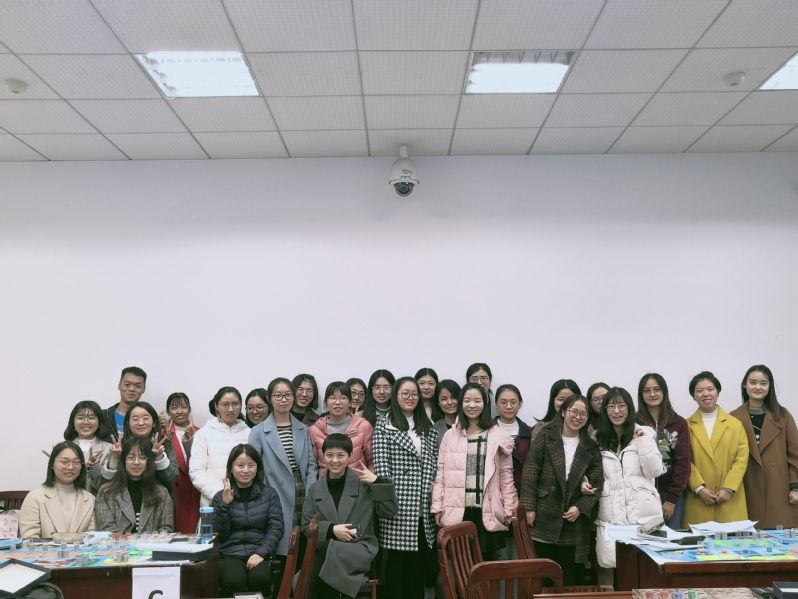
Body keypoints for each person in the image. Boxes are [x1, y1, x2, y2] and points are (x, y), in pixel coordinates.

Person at [302, 433, 398, 599]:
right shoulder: (315, 489)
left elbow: (390, 511)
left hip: (359, 548)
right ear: (322, 456)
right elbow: (306, 526)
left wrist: (377, 482)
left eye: (341, 455)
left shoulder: (364, 485)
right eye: (329, 455)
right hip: (329, 549)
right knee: (326, 555)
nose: (335, 460)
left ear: (350, 456)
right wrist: (331, 529)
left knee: (317, 564)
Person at [521, 395, 602, 586]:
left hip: (572, 519)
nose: (578, 417)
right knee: (542, 573)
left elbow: (598, 483)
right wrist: (528, 507)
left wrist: (580, 507)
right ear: (564, 412)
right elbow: (530, 471)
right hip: (544, 512)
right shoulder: (546, 435)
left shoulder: (590, 446)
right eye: (574, 411)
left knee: (567, 575)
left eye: (583, 414)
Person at [431, 383, 518, 560]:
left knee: (487, 565)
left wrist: (510, 508)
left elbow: (506, 476)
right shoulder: (450, 436)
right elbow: (440, 475)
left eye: (477, 401)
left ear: (485, 403)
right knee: (460, 564)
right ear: (461, 403)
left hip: (487, 511)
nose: (472, 405)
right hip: (458, 510)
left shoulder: (498, 436)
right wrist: (437, 506)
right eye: (467, 401)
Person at [373, 377, 437, 599]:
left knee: (418, 566)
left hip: (423, 505)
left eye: (414, 394)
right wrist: (391, 500)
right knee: (396, 567)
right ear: (396, 396)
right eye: (405, 393)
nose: (410, 398)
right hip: (397, 506)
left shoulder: (427, 426)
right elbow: (382, 468)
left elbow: (434, 462)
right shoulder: (384, 425)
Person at [594, 387, 665, 585]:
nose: (616, 411)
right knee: (610, 566)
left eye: (621, 405)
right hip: (611, 516)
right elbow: (592, 473)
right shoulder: (597, 438)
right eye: (611, 406)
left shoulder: (644, 434)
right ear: (605, 410)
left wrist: (643, 441)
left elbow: (655, 470)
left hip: (643, 515)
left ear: (629, 408)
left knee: (646, 571)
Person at [248, 377, 318, 560]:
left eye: (287, 395)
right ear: (270, 399)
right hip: (275, 495)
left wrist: (311, 492)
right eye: (278, 395)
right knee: (282, 549)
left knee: (303, 547)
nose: (283, 399)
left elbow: (311, 466)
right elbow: (254, 469)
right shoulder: (258, 431)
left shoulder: (303, 429)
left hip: (302, 493)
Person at [730, 365, 798, 529]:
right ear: (745, 385)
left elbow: (795, 455)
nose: (758, 387)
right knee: (747, 538)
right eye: (753, 382)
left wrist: (795, 487)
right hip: (746, 487)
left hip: (778, 488)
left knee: (780, 538)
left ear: (770, 386)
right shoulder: (733, 418)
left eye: (763, 383)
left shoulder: (783, 416)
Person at [212, 444, 284, 599]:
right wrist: (225, 505)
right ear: (231, 468)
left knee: (260, 579)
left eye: (251, 465)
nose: (246, 470)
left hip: (260, 552)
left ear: (257, 468)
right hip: (229, 554)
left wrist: (261, 553)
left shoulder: (269, 494)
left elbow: (276, 528)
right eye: (240, 465)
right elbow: (219, 535)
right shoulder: (220, 497)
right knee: (234, 581)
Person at [685, 371, 749, 526]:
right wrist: (699, 488)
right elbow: (684, 460)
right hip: (698, 500)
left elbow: (741, 459)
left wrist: (728, 488)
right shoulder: (685, 426)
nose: (705, 394)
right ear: (693, 396)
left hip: (730, 500)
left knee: (732, 540)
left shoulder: (735, 424)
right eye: (699, 391)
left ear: (718, 392)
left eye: (710, 389)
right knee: (699, 541)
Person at [635, 373, 691, 529]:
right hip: (641, 494)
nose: (652, 394)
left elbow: (683, 462)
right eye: (647, 391)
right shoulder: (634, 422)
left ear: (664, 392)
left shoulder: (679, 423)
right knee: (644, 539)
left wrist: (672, 499)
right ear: (641, 395)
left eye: (657, 389)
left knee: (671, 538)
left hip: (671, 494)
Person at [19, 441, 96, 541]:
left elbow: (91, 539)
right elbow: (29, 540)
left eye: (76, 462)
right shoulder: (35, 497)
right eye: (64, 462)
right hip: (43, 551)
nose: (71, 467)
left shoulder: (90, 499)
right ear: (52, 464)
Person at [94, 437, 174, 533]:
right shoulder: (106, 492)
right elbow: (106, 529)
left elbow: (166, 529)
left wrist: (147, 541)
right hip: (118, 543)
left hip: (153, 543)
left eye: (142, 457)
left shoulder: (162, 493)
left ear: (148, 462)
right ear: (123, 461)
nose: (136, 462)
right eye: (131, 457)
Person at [190, 387, 252, 507]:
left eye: (235, 404)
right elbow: (196, 472)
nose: (231, 409)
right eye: (225, 405)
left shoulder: (250, 433)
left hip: (247, 502)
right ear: (216, 406)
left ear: (241, 406)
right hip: (214, 501)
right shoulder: (203, 434)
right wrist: (221, 494)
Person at [101, 401, 178, 491]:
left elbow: (172, 478)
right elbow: (102, 483)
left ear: (154, 422)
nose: (141, 423)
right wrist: (115, 458)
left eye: (145, 418)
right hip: (123, 497)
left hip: (158, 497)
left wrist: (159, 457)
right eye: (135, 419)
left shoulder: (164, 445)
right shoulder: (120, 446)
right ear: (128, 423)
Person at [309, 381, 374, 474]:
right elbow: (312, 465)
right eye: (333, 398)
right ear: (326, 402)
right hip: (325, 482)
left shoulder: (363, 426)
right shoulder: (314, 430)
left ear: (350, 402)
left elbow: (372, 461)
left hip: (357, 481)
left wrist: (367, 480)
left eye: (343, 398)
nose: (337, 402)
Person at [162, 392, 201, 533]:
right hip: (173, 491)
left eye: (184, 407)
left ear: (189, 410)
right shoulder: (162, 434)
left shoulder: (200, 432)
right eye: (174, 408)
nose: (179, 411)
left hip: (195, 490)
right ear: (168, 411)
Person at [63, 400, 114, 492]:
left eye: (91, 418)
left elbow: (108, 486)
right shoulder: (63, 449)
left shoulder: (110, 449)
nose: (86, 422)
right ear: (73, 422)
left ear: (99, 422)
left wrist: (95, 468)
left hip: (97, 499)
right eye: (80, 418)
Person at [494, 383, 532, 494]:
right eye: (503, 402)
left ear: (520, 404)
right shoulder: (487, 432)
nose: (509, 406)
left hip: (522, 492)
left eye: (513, 402)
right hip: (493, 493)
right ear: (496, 404)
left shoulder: (529, 433)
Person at [102, 366, 147, 440]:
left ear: (144, 389)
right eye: (127, 384)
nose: (132, 389)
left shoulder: (148, 420)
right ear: (119, 385)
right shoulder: (101, 417)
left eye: (138, 386)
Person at [433, 379, 461, 449]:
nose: (449, 402)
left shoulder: (470, 424)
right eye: (444, 399)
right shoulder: (435, 429)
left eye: (453, 397)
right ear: (439, 403)